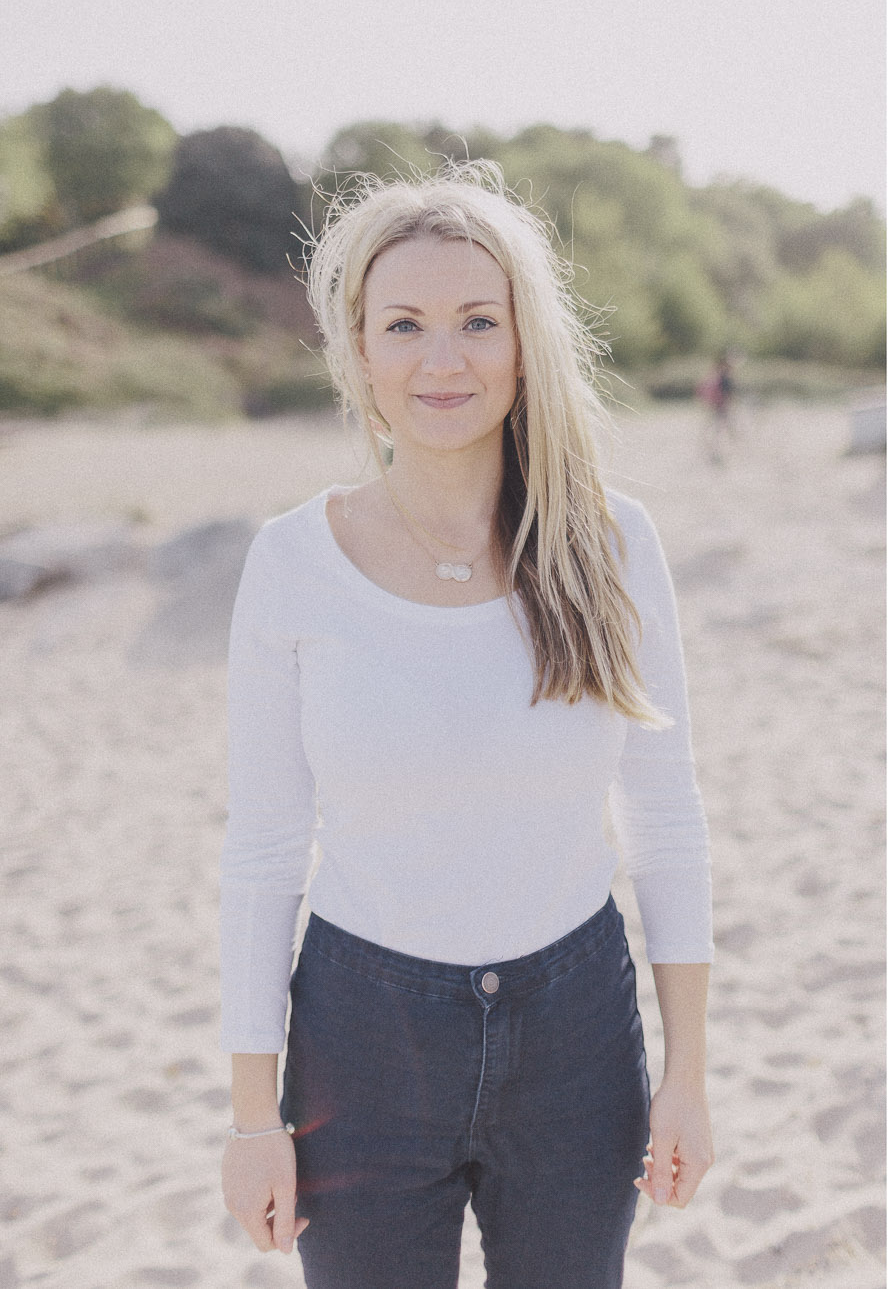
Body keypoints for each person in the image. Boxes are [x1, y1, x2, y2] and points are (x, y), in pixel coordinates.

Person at [217, 161, 714, 1288]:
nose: (442, 359)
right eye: (405, 324)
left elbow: (665, 813)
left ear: (525, 342)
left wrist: (687, 1072)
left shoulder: (611, 545)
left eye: (478, 321)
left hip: (578, 1035)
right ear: (359, 351)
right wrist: (253, 1117)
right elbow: (263, 848)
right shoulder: (291, 563)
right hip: (361, 1038)